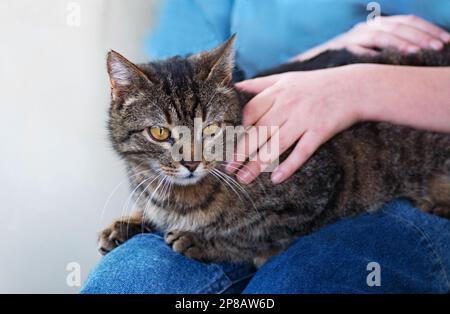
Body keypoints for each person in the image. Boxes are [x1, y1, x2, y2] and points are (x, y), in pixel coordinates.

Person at [81, 0, 450, 293]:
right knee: (128, 283)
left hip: (420, 147)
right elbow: (176, 81)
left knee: (303, 281)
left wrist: (356, 85)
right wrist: (315, 60)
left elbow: (319, 189)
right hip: (248, 108)